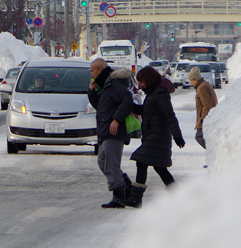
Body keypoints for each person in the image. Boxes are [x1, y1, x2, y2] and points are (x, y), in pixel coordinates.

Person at [125, 66, 185, 208]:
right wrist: (131, 106)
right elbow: (148, 111)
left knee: (141, 160)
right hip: (153, 136)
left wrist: (178, 136)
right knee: (159, 167)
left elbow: (169, 115)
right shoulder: (152, 93)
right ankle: (179, 197)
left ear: (149, 79)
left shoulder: (160, 94)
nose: (140, 85)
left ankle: (136, 198)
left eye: (142, 81)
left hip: (158, 137)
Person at [88, 58, 135, 208]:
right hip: (104, 130)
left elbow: (128, 100)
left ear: (99, 70)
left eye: (92, 71)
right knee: (103, 161)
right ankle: (126, 185)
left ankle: (120, 197)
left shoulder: (114, 84)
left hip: (114, 131)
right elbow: (100, 107)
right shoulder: (105, 85)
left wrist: (116, 119)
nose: (91, 74)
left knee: (110, 163)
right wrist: (92, 92)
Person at [188, 66, 218, 150]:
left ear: (195, 79)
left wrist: (203, 118)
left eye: (191, 80)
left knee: (199, 137)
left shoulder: (202, 88)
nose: (190, 82)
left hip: (205, 117)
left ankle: (213, 152)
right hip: (208, 116)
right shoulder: (203, 85)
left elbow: (207, 104)